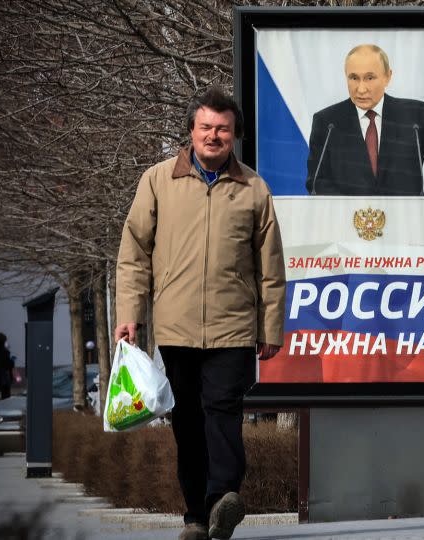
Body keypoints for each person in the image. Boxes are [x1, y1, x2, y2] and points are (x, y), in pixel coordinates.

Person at [115, 87, 286, 540]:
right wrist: (130, 313)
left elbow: (271, 267)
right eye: (206, 127)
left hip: (234, 327)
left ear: (235, 136)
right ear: (191, 131)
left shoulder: (254, 188)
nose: (214, 136)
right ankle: (195, 515)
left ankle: (224, 498)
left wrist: (270, 327)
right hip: (176, 324)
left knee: (224, 410)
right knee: (188, 419)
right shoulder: (156, 181)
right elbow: (134, 253)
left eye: (223, 129)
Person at [305, 44, 424, 199]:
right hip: (348, 229)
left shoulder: (415, 116)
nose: (361, 88)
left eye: (370, 77)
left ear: (388, 76)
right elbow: (317, 182)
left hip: (407, 228)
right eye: (354, 78)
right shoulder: (327, 122)